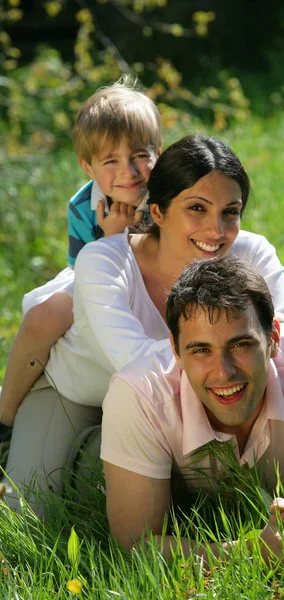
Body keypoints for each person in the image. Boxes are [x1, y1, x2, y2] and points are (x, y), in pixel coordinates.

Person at [3, 134, 284, 517]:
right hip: (75, 394)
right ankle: (39, 445)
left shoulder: (253, 253)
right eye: (197, 208)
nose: (217, 231)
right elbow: (137, 365)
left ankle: (95, 458)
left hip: (168, 402)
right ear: (157, 212)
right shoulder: (104, 260)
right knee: (26, 514)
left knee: (206, 504)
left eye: (231, 212)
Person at [101, 255, 284, 564]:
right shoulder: (137, 393)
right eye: (201, 350)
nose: (223, 372)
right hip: (105, 443)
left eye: (240, 345)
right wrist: (249, 553)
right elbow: (135, 544)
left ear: (273, 338)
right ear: (176, 351)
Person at [0, 76, 162, 431]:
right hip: (97, 279)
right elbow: (87, 276)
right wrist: (112, 239)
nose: (129, 173)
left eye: (139, 156)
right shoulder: (83, 205)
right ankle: (6, 415)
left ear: (158, 154)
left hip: (157, 278)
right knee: (42, 318)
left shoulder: (169, 196)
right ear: (87, 167)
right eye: (111, 162)